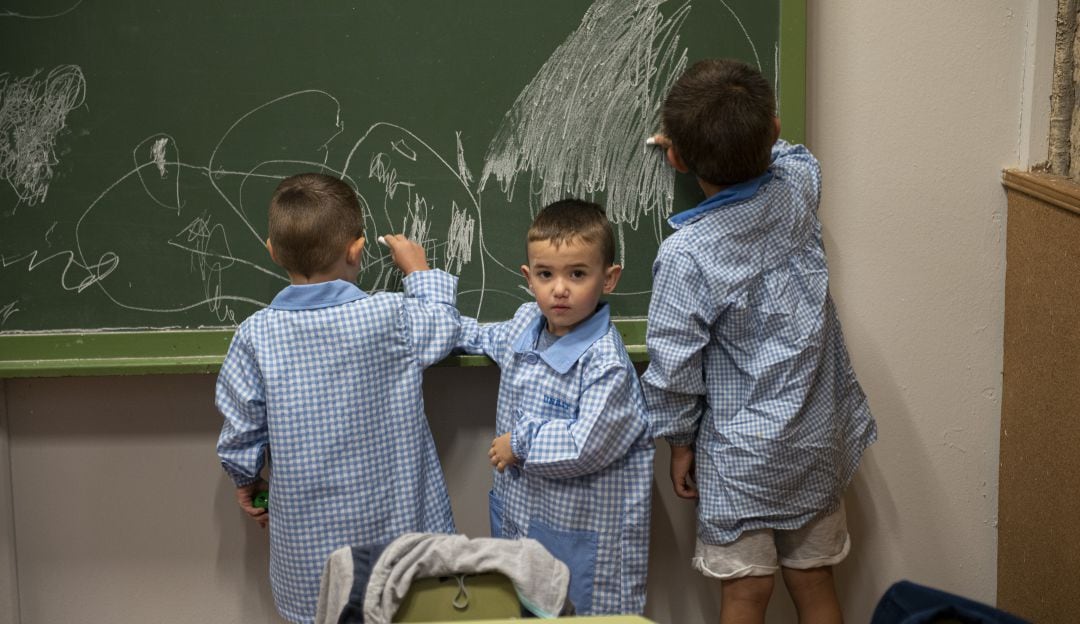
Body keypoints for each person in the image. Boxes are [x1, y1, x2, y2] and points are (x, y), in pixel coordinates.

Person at [641, 58, 878, 623]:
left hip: (741, 460)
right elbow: (794, 154)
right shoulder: (796, 190)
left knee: (746, 593)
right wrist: (753, 132)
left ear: (673, 157)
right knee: (816, 583)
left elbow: (673, 369)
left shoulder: (686, 256)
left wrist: (678, 441)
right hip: (816, 442)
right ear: (771, 129)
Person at [215, 172, 461, 624]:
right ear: (356, 248)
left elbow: (241, 424)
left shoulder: (255, 336)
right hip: (399, 549)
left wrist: (244, 478)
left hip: (312, 564)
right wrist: (419, 273)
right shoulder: (390, 316)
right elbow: (442, 330)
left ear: (271, 251)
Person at [455, 199, 654, 615]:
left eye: (577, 274)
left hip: (580, 535)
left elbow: (586, 444)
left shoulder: (605, 363)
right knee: (525, 607)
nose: (559, 288)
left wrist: (521, 444)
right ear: (529, 278)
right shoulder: (526, 324)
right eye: (546, 274)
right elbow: (485, 338)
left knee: (579, 615)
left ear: (609, 278)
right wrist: (437, 323)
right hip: (526, 520)